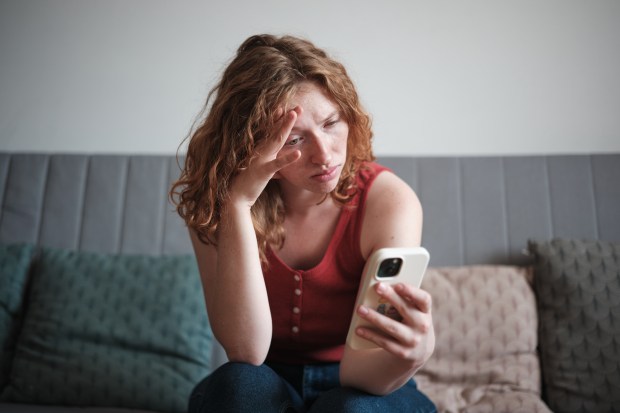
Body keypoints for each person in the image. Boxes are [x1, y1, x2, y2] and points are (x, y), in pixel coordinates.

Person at [170, 33, 437, 413]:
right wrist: (238, 205)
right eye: (294, 138)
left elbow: (363, 378)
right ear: (249, 143)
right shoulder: (219, 204)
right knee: (239, 386)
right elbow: (246, 351)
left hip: (360, 382)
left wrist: (413, 356)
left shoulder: (388, 201)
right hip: (265, 380)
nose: (325, 154)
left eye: (331, 123)